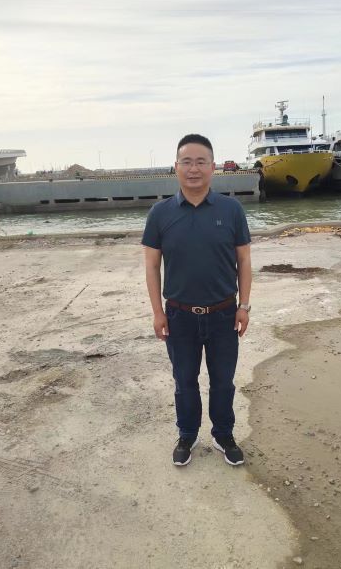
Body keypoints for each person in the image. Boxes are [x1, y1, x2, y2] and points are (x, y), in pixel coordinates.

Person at [142, 134, 252, 467]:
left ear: (212, 167)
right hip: (179, 316)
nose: (194, 169)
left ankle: (223, 434)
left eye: (201, 162)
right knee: (184, 382)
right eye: (186, 162)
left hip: (224, 314)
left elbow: (244, 260)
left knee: (223, 382)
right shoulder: (160, 213)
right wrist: (158, 313)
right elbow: (151, 265)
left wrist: (244, 306)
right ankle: (187, 435)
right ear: (175, 167)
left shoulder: (231, 210)